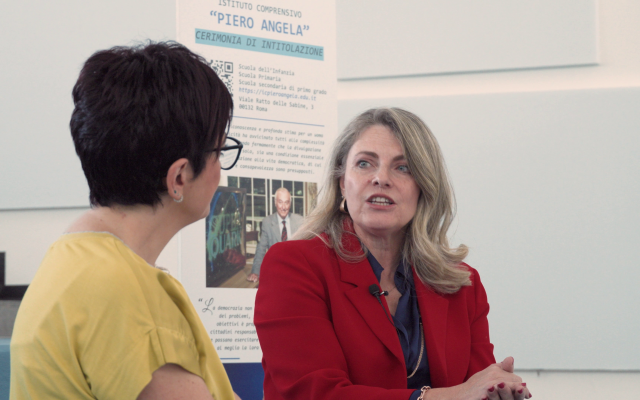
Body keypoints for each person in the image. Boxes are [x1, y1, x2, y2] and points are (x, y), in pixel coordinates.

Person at [10, 42, 244, 400]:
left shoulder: (71, 258)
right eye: (220, 151)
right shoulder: (125, 293)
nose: (220, 174)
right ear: (179, 177)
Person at [254, 108, 532, 400]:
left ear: (423, 187)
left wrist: (497, 390)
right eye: (364, 163)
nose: (380, 178)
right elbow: (315, 394)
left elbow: (475, 390)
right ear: (341, 182)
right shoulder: (293, 265)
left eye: (403, 168)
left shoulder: (462, 284)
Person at [246, 187, 304, 283]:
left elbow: (305, 248)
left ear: (290, 203)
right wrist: (255, 272)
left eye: (287, 202)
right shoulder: (267, 222)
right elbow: (261, 249)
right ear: (275, 202)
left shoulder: (300, 221)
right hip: (275, 271)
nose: (283, 207)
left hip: (295, 271)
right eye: (280, 202)